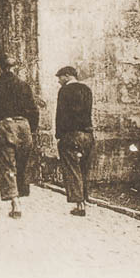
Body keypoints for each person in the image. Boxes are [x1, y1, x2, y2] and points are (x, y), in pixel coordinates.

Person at [0, 54, 39, 219]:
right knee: (22, 163)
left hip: (5, 126)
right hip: (24, 126)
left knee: (7, 164)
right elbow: (33, 109)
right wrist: (31, 128)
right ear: (15, 68)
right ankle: (20, 192)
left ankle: (15, 202)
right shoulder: (24, 86)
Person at [55, 66, 94, 217]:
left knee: (72, 169)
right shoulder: (87, 90)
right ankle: (85, 198)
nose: (59, 81)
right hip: (88, 134)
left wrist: (59, 134)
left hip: (71, 135)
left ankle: (80, 204)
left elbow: (60, 114)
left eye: (60, 78)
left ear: (67, 76)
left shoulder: (64, 91)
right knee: (84, 168)